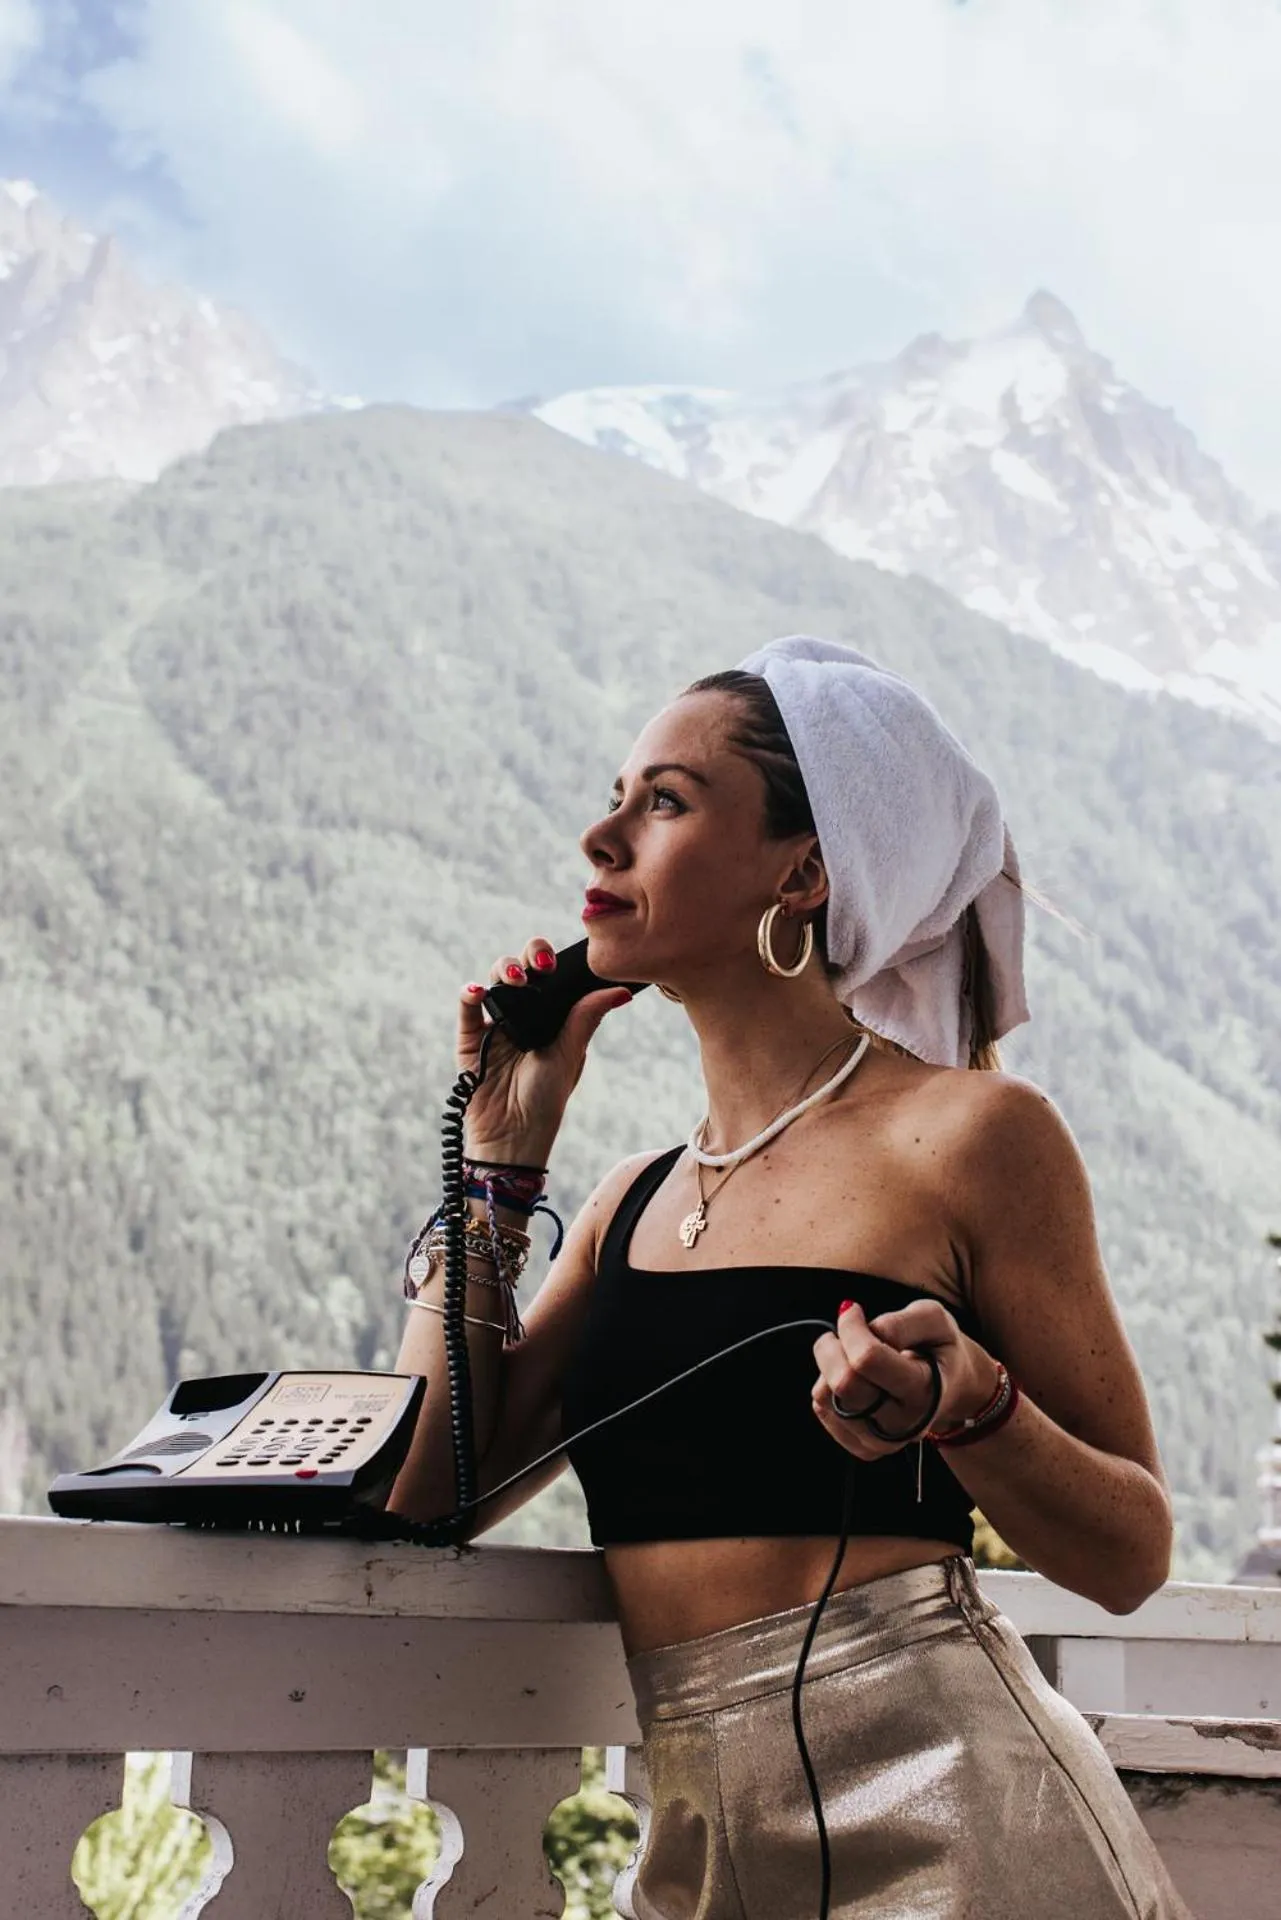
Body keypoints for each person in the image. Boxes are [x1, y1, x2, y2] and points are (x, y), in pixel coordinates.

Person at [389, 635, 1191, 1918]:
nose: (604, 839)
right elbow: (427, 1487)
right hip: (704, 1857)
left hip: (969, 1832)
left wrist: (971, 1410)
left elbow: (1133, 1552)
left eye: (665, 801)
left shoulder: (975, 1136)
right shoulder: (626, 1206)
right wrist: (498, 1161)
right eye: (616, 797)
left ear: (805, 870)